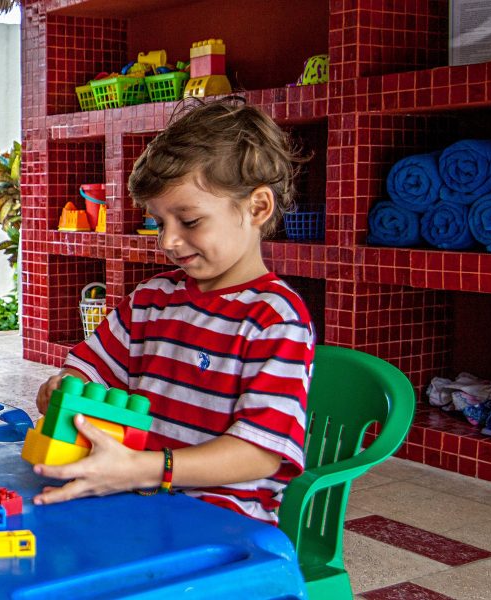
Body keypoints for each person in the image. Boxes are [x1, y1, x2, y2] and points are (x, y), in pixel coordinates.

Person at [32, 97, 315, 524]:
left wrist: (147, 469)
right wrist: (62, 388)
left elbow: (259, 453)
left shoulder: (275, 320)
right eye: (160, 222)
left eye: (189, 220)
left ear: (257, 208)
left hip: (222, 519)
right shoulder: (152, 299)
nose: (167, 241)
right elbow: (89, 369)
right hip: (137, 498)